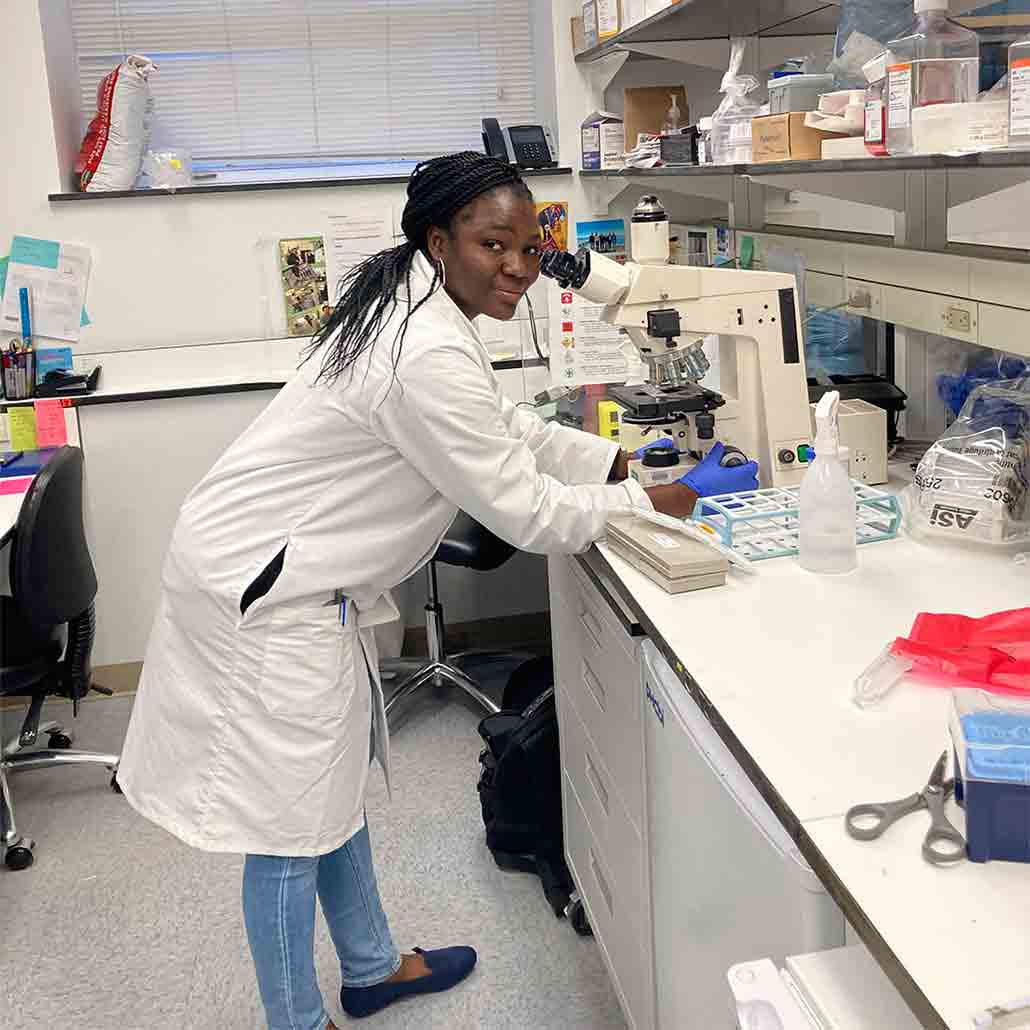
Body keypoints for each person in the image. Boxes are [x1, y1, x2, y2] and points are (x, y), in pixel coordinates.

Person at [117, 152, 756, 1030]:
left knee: (327, 789)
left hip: (294, 579)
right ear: (438, 239)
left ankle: (374, 969)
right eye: (495, 244)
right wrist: (652, 498)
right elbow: (529, 514)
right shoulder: (421, 345)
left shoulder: (425, 311)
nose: (519, 268)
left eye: (530, 249)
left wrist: (614, 458)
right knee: (286, 827)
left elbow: (507, 427)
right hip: (263, 591)